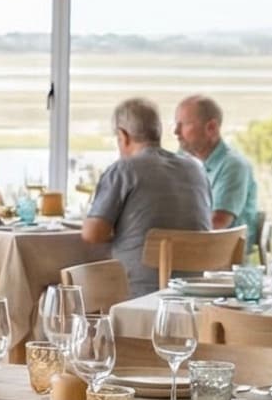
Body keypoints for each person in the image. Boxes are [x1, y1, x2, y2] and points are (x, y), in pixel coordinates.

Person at [80, 97, 212, 296]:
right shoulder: (196, 168)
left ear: (123, 136)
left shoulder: (124, 170)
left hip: (139, 293)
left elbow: (92, 234)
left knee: (69, 281)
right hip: (194, 290)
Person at [173, 94, 260, 253]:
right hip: (193, 250)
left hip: (222, 257)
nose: (176, 132)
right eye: (176, 124)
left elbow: (217, 223)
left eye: (184, 124)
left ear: (211, 128)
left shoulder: (233, 165)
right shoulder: (183, 160)